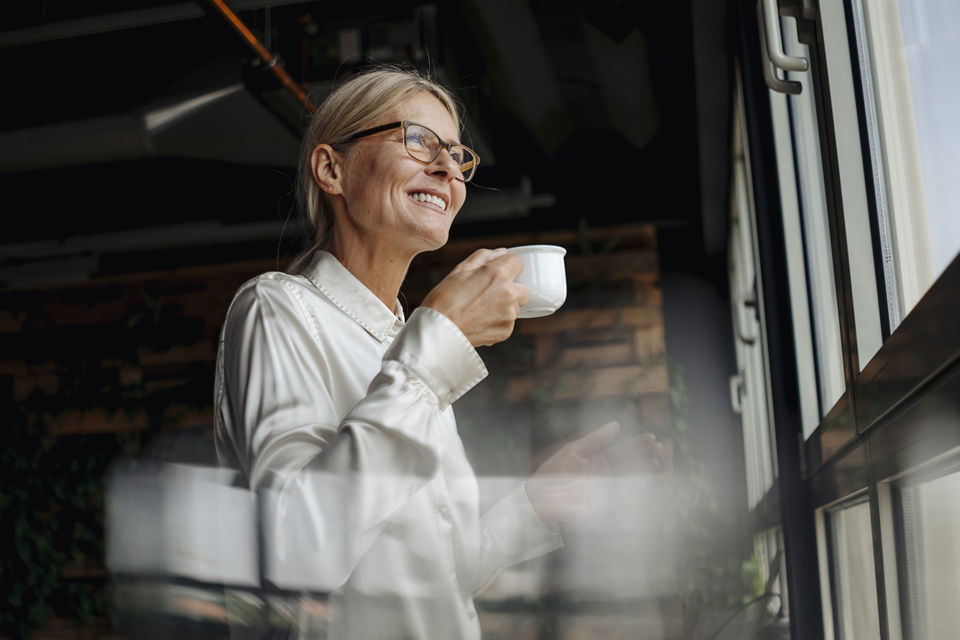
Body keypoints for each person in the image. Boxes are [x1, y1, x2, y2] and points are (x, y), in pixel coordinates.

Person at [214, 66, 656, 639]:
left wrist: (537, 504)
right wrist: (437, 349)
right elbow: (300, 549)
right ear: (332, 169)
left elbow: (430, 577)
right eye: (417, 139)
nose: (448, 166)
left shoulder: (409, 342)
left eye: (457, 153)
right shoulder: (277, 309)